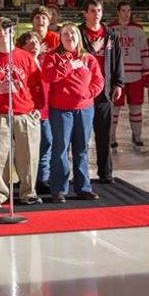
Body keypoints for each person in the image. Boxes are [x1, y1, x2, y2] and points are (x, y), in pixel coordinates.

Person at [0, 19, 44, 207]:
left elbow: (36, 84)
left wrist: (39, 108)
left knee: (28, 154)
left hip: (24, 111)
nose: (2, 33)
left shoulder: (25, 56)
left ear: (12, 32)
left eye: (6, 30)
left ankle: (28, 191)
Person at [42, 23, 104, 203]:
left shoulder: (88, 59)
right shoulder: (53, 57)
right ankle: (59, 189)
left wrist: (88, 94)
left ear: (79, 37)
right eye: (66, 34)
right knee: (60, 149)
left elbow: (98, 81)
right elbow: (49, 76)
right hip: (61, 110)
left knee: (81, 149)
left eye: (73, 33)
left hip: (84, 109)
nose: (70, 37)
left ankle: (83, 187)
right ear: (60, 38)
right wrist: (69, 66)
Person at [79, 0, 124, 182]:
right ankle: (80, 176)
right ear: (85, 13)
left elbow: (118, 59)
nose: (96, 13)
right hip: (82, 92)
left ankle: (106, 173)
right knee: (81, 137)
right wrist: (92, 49)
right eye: (92, 10)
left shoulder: (110, 34)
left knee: (104, 135)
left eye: (98, 10)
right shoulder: (78, 33)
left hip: (104, 92)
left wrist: (118, 83)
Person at [109, 1, 149, 149]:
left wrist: (147, 71)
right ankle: (111, 137)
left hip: (135, 75)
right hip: (116, 76)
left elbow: (144, 51)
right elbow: (107, 54)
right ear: (118, 12)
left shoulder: (138, 29)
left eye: (129, 10)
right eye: (124, 10)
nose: (126, 13)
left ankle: (137, 135)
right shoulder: (110, 29)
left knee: (136, 107)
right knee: (114, 109)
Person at [29, 6, 59, 192]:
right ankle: (28, 177)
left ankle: (45, 176)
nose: (40, 21)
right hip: (32, 98)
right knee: (30, 141)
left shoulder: (56, 39)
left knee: (49, 140)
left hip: (53, 97)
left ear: (49, 22)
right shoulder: (26, 40)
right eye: (37, 18)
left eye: (44, 19)